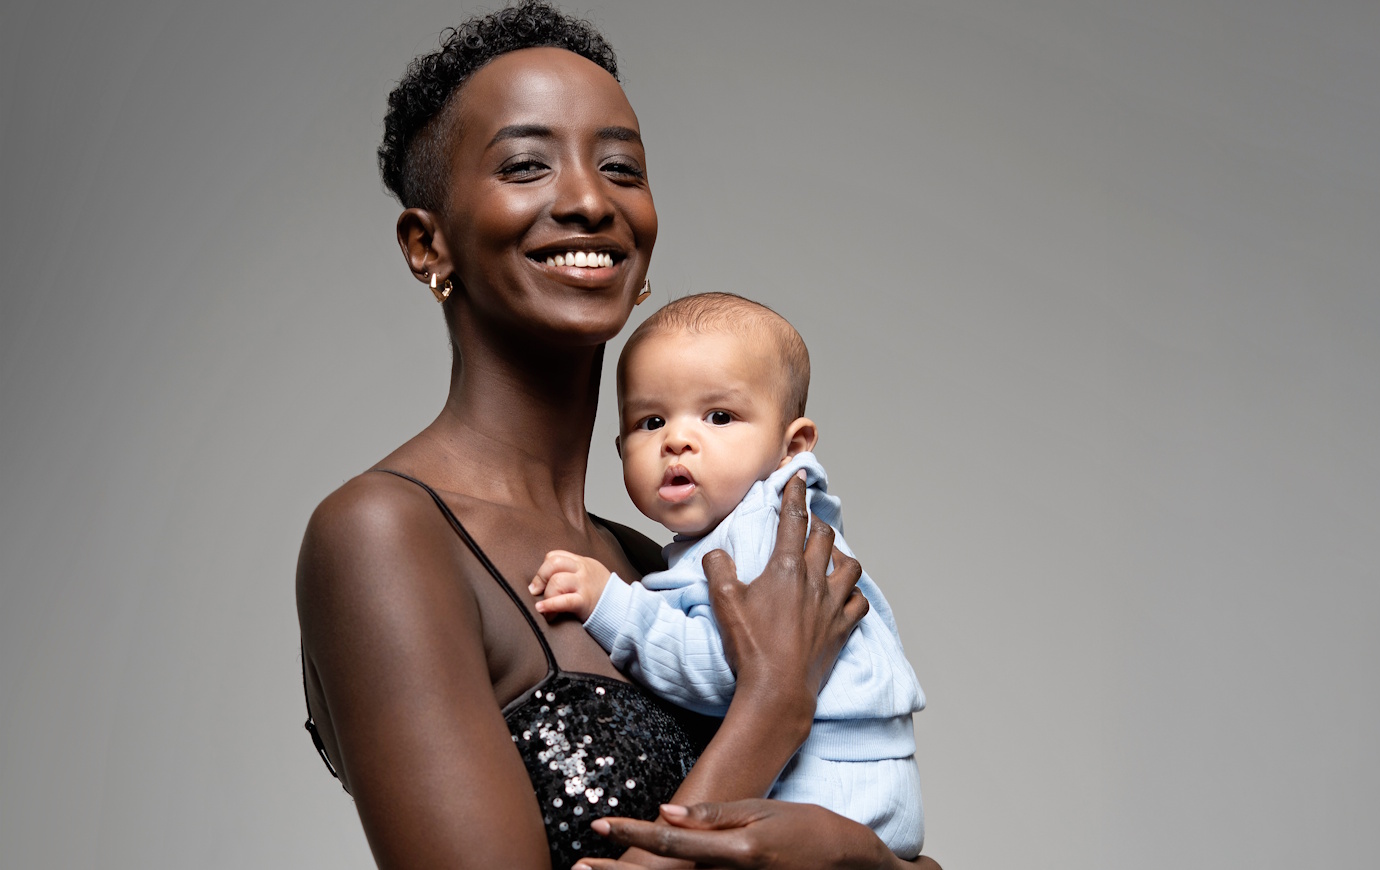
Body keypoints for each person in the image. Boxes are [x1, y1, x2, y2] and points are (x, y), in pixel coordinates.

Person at [294, 4, 941, 869]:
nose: (590, 200)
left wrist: (858, 859)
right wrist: (773, 705)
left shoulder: (655, 561)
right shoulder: (383, 535)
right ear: (427, 244)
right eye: (526, 165)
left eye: (620, 169)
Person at [530, 293, 926, 857]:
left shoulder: (767, 529)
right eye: (650, 421)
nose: (676, 440)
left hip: (833, 792)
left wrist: (611, 605)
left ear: (791, 446)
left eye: (719, 416)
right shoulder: (726, 534)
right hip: (863, 791)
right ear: (620, 448)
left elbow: (732, 673)